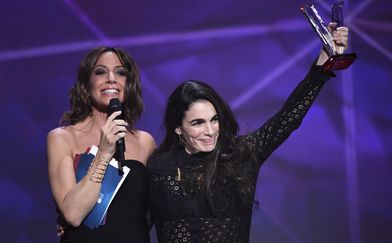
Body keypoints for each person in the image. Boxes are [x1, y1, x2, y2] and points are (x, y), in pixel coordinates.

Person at [147, 23, 349, 242]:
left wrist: (325, 59)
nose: (210, 131)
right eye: (197, 123)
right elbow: (136, 224)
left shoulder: (241, 155)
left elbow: (288, 119)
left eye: (214, 120)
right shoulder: (159, 166)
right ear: (178, 127)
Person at [47, 46, 156, 243]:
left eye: (120, 72)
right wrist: (104, 152)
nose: (111, 78)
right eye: (100, 72)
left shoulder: (144, 142)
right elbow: (72, 214)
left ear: (128, 83)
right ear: (86, 84)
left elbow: (155, 210)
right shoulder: (62, 138)